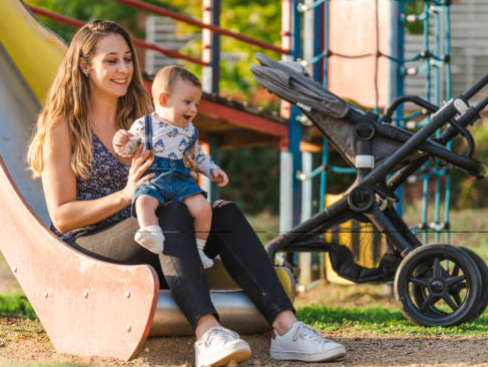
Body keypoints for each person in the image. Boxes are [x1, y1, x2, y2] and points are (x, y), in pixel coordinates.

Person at [27, 19, 346, 367]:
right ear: (85, 66)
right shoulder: (62, 128)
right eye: (111, 60)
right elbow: (61, 215)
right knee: (171, 215)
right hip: (92, 245)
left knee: (223, 211)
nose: (123, 69)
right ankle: (207, 333)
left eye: (128, 59)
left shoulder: (141, 118)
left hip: (156, 234)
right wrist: (125, 195)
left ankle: (287, 329)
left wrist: (186, 176)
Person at [112, 65, 227, 269]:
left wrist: (213, 171)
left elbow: (198, 156)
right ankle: (151, 232)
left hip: (181, 179)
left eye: (196, 104)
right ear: (163, 100)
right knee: (144, 201)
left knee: (203, 210)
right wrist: (120, 142)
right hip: (153, 177)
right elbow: (129, 149)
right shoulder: (143, 124)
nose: (193, 109)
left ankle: (199, 250)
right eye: (187, 102)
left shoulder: (190, 130)